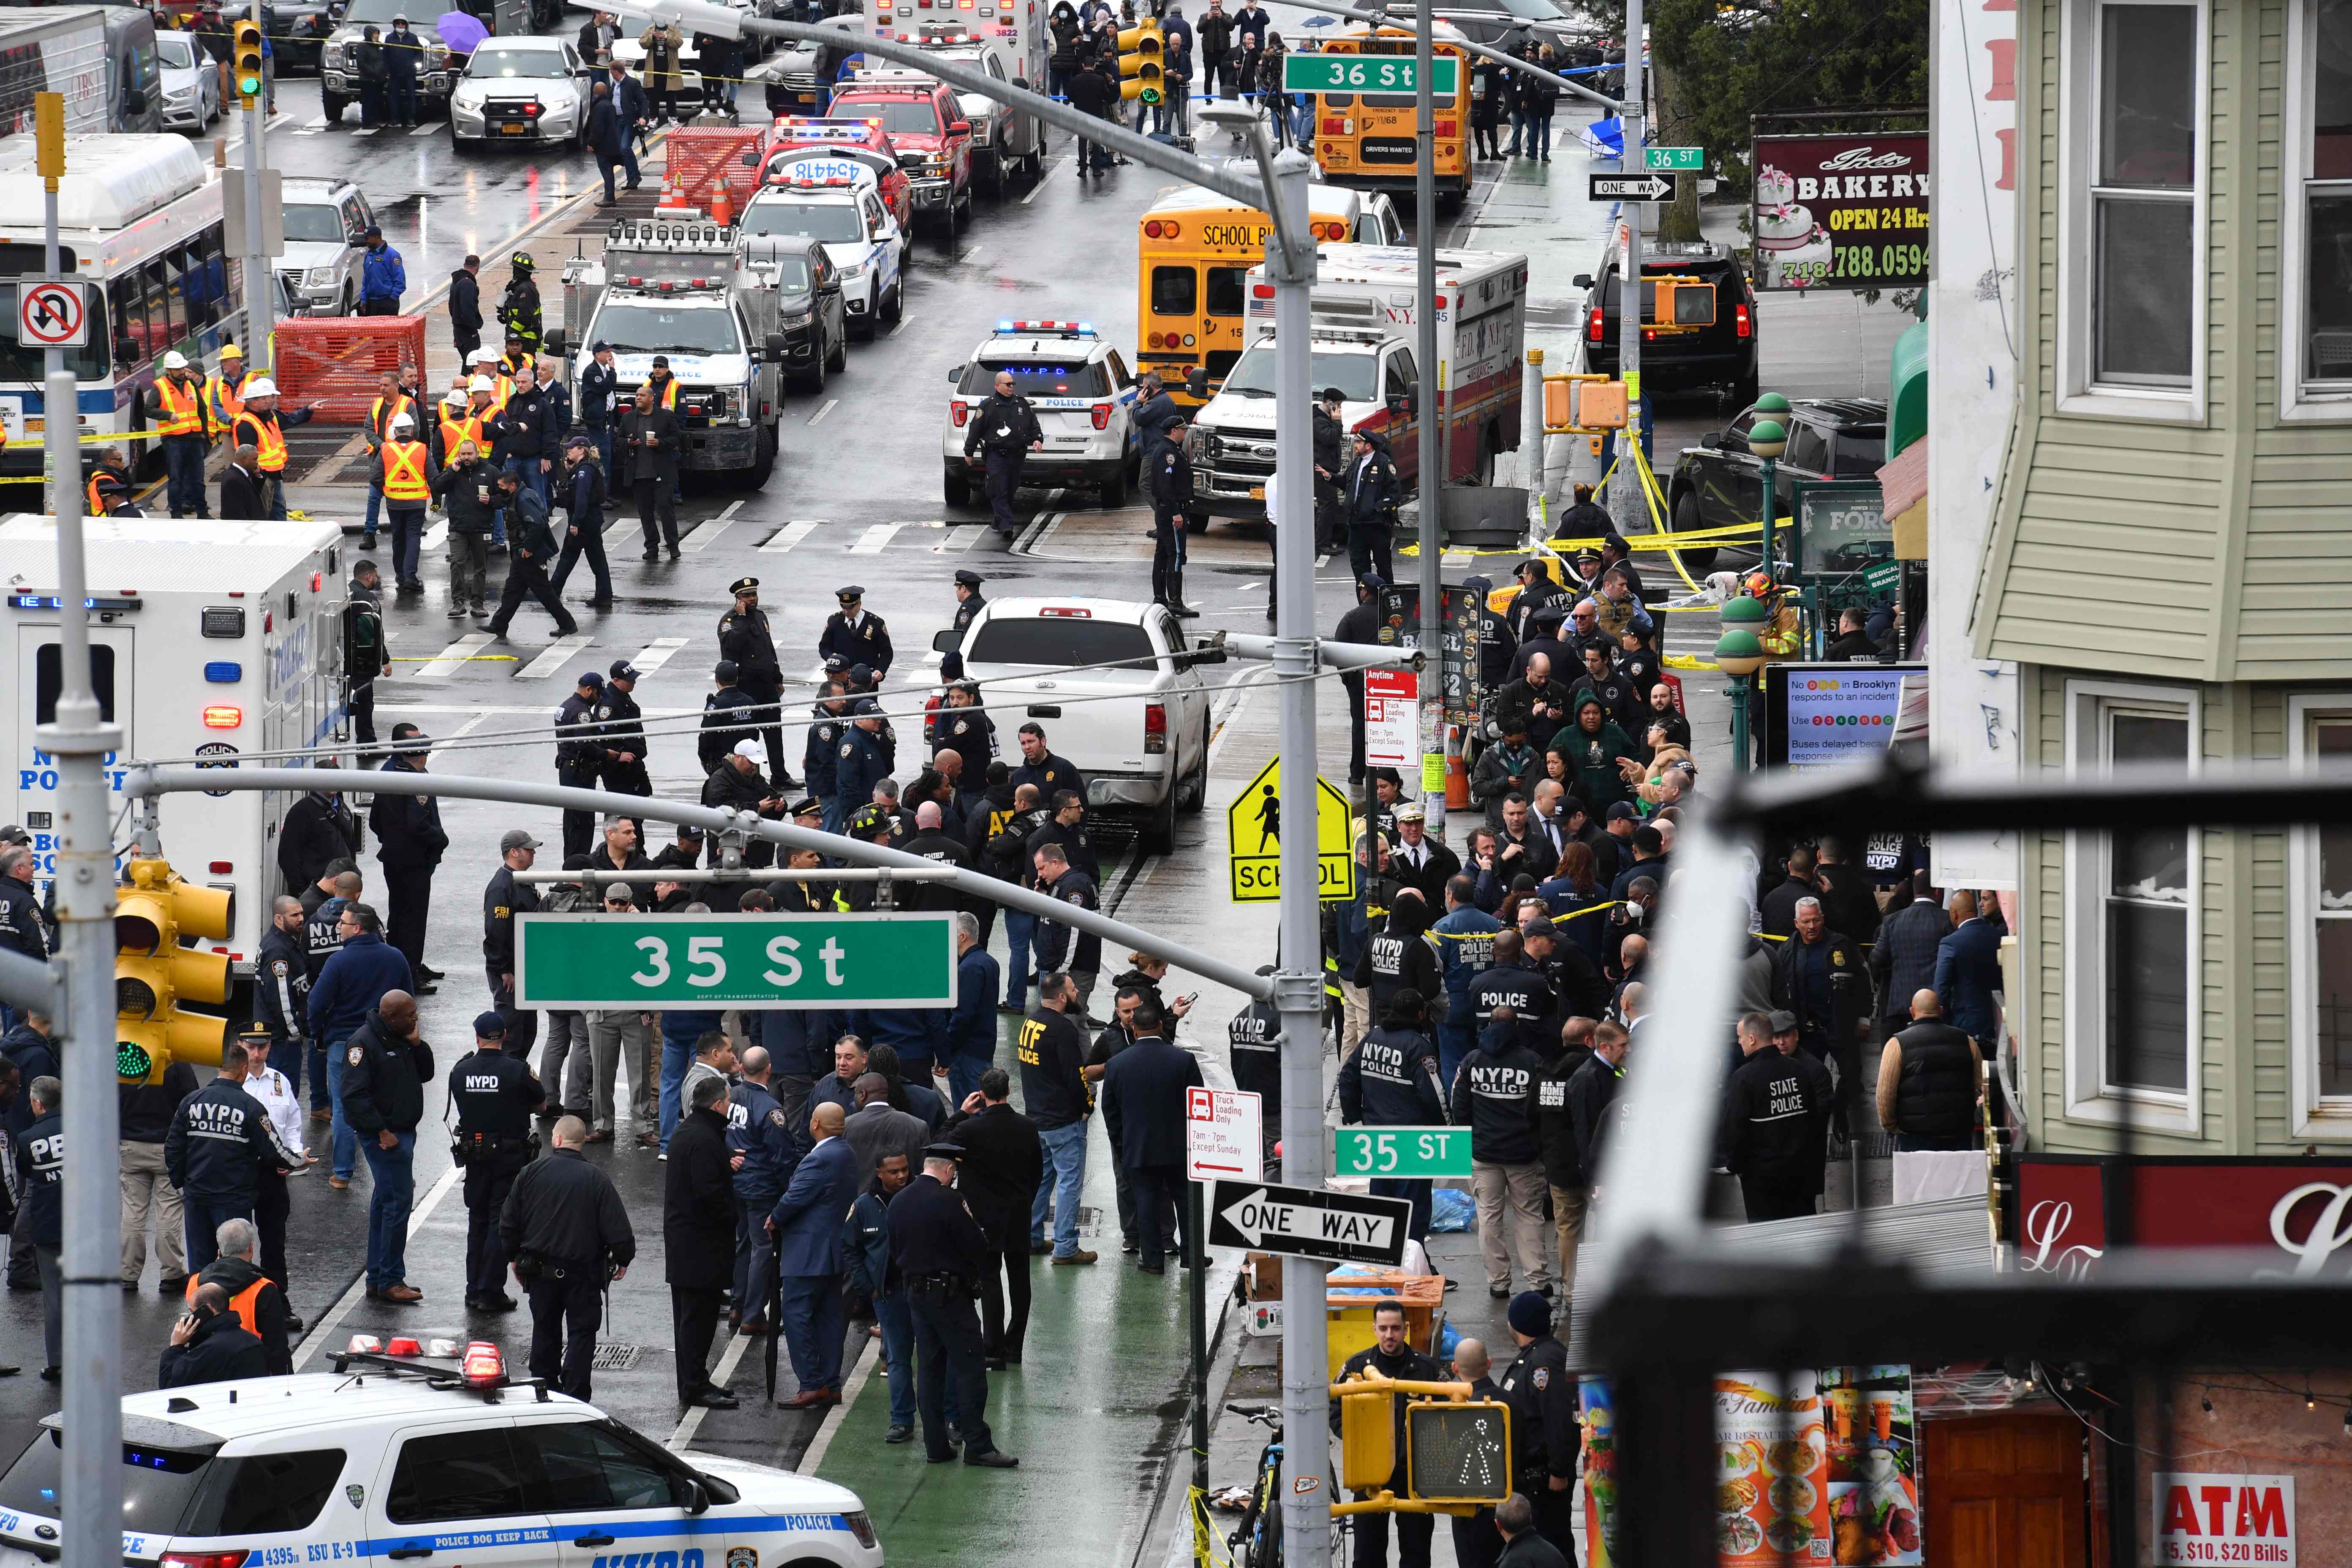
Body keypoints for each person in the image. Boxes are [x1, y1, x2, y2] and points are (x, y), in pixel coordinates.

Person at [886, 1144, 1019, 1466]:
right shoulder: (951, 1201)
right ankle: (977, 1444)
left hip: (916, 1296)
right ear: (948, 1171)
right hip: (950, 1298)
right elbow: (978, 1245)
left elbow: (894, 1249)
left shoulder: (898, 1202)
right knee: (970, 1368)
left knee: (929, 1371)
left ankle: (936, 1446)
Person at [500, 1115, 634, 1399]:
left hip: (539, 1273)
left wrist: (513, 1256)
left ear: (558, 1139)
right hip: (583, 1276)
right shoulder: (597, 1179)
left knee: (545, 1329)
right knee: (582, 1335)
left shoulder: (531, 1173)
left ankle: (543, 1386)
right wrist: (623, 1259)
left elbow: (509, 1222)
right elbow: (618, 1229)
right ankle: (575, 1394)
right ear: (582, 1142)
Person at [165, 1039, 299, 1275]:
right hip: (233, 1199)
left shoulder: (192, 1101)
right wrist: (299, 1161)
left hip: (197, 1196)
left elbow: (174, 1147)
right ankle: (234, 1310)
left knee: (200, 1263)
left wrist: (181, 1183)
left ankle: (200, 1307)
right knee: (235, 1263)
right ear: (244, 1070)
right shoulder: (251, 1106)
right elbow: (274, 1151)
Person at [1329, 1298, 1440, 1568]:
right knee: (1368, 1554)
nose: (1390, 1335)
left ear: (1406, 1329)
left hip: (1415, 1476)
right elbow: (1334, 1410)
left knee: (1416, 1555)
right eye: (1384, 1328)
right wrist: (1361, 1440)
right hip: (1370, 1474)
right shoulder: (1357, 1367)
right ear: (1374, 1329)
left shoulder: (1427, 1369)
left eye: (1395, 1328)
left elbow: (1448, 1414)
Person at [941, 1068, 1039, 1364]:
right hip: (1018, 1214)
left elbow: (940, 1143)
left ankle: (993, 1348)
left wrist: (960, 1114)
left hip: (983, 1218)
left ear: (982, 1094)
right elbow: (1037, 1173)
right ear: (1009, 1090)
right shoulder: (1028, 1126)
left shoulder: (970, 1130)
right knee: (1021, 1280)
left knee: (990, 1279)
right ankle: (1015, 1346)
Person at [342, 988, 433, 1303]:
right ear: (390, 1016)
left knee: (385, 1203)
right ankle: (391, 1280)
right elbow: (354, 1096)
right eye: (410, 1015)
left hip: (404, 1131)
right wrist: (380, 1131)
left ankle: (378, 1277)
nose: (416, 1017)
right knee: (398, 1202)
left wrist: (417, 1044)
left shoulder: (402, 1036)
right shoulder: (363, 1044)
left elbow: (428, 1073)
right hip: (386, 1138)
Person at [1097, 996, 1201, 1274]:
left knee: (1145, 1202)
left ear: (1134, 1030)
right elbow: (1199, 1105)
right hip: (1180, 1149)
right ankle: (1192, 1256)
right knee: (1186, 1201)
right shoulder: (1184, 1061)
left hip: (1138, 1148)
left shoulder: (1118, 1065)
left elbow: (1110, 1111)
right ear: (1159, 1025)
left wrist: (1121, 1145)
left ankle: (1153, 1259)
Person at [449, 1012, 544, 1312]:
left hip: (474, 1155)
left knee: (477, 1221)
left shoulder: (461, 1070)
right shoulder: (517, 1070)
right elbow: (542, 1103)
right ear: (503, 1036)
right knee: (499, 1222)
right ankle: (490, 1291)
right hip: (509, 1156)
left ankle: (473, 1288)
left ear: (477, 1037)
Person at [1453, 1010, 1549, 1299]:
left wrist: (1471, 1137)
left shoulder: (1472, 1061)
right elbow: (1542, 1108)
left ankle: (1498, 1282)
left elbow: (1460, 1104)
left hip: (1484, 1154)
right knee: (1529, 1216)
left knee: (1489, 1218)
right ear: (1516, 1027)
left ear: (1488, 1026)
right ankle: (1539, 1281)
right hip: (1524, 1154)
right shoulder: (1532, 1062)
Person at [769, 1099, 859, 1406]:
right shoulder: (847, 1154)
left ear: (816, 1125)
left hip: (808, 1255)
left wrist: (775, 1218)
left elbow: (795, 1198)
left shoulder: (818, 1159)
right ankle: (831, 1384)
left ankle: (811, 1383)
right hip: (834, 1253)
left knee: (796, 1314)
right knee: (829, 1318)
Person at [1337, 988, 1446, 1241]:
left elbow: (1347, 1077)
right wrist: (1447, 1128)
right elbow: (1435, 1097)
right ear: (1421, 1015)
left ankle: (1384, 1266)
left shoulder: (1372, 1039)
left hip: (1377, 1140)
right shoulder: (1420, 1048)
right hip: (1412, 1144)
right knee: (1413, 1209)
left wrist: (1355, 1120)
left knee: (1382, 1209)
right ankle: (1415, 1271)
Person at [662, 1074, 739, 1408]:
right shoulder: (705, 1140)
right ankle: (694, 1385)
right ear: (720, 1104)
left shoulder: (691, 1131)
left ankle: (694, 1380)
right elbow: (711, 1194)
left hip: (687, 1247)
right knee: (697, 1321)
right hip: (700, 1249)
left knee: (691, 1320)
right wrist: (734, 1215)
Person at [1020, 972, 1097, 1263]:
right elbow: (1075, 1076)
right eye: (1074, 989)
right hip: (1063, 1120)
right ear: (1063, 997)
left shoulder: (1031, 1022)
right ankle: (1066, 1246)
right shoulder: (1063, 1030)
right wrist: (1086, 1105)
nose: (1077, 993)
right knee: (1070, 1182)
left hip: (1037, 1116)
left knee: (1042, 1180)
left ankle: (1032, 1236)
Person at [1496, 1290, 1579, 1553]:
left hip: (1544, 1480)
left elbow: (1561, 1419)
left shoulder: (1544, 1363)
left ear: (1516, 1324)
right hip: (1531, 1478)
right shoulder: (1534, 1356)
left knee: (1552, 1546)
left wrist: (1558, 1471)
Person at [1720, 1012, 1823, 1221]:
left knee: (1767, 1244)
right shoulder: (1800, 1071)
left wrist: (1737, 1167)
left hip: (1762, 1183)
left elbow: (1734, 1130)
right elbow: (1814, 1124)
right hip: (1801, 1176)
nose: (1739, 1042)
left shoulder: (1743, 1078)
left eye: (1740, 1036)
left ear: (1752, 1039)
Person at [725, 1045, 795, 1334]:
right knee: (763, 1249)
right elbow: (781, 1157)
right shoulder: (771, 1109)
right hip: (761, 1188)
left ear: (742, 1068)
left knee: (743, 1245)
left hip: (736, 1183)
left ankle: (738, 1306)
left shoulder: (730, 1099)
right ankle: (753, 1314)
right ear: (769, 1069)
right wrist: (789, 1193)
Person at [370, 725, 446, 985]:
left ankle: (408, 964)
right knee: (411, 918)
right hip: (412, 860)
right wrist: (441, 839)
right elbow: (418, 824)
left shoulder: (391, 772)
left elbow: (375, 822)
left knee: (402, 915)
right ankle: (409, 971)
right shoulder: (410, 777)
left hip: (397, 857)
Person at [120, 1053, 199, 1294]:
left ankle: (128, 1273)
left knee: (133, 1210)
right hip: (168, 1146)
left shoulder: (124, 1056)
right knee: (169, 1210)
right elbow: (191, 1101)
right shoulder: (175, 1060)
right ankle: (171, 1273)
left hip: (130, 1144)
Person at [184, 1217, 295, 1374]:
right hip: (251, 1375)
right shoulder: (264, 1289)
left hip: (207, 1373)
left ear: (220, 1251)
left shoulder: (195, 1283)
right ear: (251, 1248)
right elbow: (277, 1348)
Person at [1876, 990, 1983, 1152]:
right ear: (1941, 1011)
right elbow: (1981, 1087)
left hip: (1915, 1136)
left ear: (1912, 1012)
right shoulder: (1966, 1041)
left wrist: (1892, 1126)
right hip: (1958, 1133)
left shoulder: (1897, 1044)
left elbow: (1885, 1095)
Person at [484, 468, 579, 639]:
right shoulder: (518, 495)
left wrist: (528, 548)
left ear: (512, 486)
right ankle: (499, 624)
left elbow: (537, 525)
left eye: (501, 486)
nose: (499, 489)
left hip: (529, 554)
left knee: (544, 592)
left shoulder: (524, 499)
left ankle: (567, 624)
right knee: (513, 591)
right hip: (522, 553)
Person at [963, 368, 1044, 536]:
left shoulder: (1021, 404)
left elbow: (1033, 424)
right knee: (998, 489)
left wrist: (1037, 439)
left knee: (1010, 490)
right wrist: (969, 452)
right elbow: (975, 430)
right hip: (996, 455)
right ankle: (1007, 525)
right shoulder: (987, 406)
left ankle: (998, 520)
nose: (1011, 387)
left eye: (1013, 384)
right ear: (997, 386)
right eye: (1008, 384)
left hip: (1017, 455)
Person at [16, 1076, 58, 1379]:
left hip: (49, 1226)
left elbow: (25, 1177)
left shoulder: (28, 1138)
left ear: (38, 1103)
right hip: (86, 1225)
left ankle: (58, 1362)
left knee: (54, 1296)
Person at [231, 377, 318, 520]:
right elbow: (246, 456)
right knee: (264, 514)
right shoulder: (246, 424)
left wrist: (308, 410)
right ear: (258, 401)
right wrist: (256, 475)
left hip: (274, 474)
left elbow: (290, 419)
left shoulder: (270, 415)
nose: (274, 400)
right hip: (261, 478)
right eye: (272, 397)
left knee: (278, 512)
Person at [1033, 844, 1102, 1020]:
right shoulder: (1062, 884)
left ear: (1055, 863)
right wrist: (1042, 894)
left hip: (1073, 970)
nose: (1040, 874)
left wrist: (1063, 970)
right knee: (1078, 1025)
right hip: (1063, 967)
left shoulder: (1074, 885)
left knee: (1067, 1023)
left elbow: (1074, 931)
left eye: (1042, 868)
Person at [158, 1280, 269, 1388]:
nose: (190, 1317)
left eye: (192, 1312)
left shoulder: (208, 1351)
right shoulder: (254, 1342)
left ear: (208, 1309)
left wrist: (176, 1346)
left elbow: (169, 1384)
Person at [1935, 890, 2004, 1051]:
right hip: (1999, 1023)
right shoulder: (1999, 937)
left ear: (1954, 913)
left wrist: (1944, 1023)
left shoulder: (1950, 943)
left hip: (1965, 1026)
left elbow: (1941, 989)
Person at [147, 350, 213, 518]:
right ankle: (176, 513)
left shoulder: (191, 384)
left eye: (183, 368)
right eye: (178, 369)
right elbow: (148, 409)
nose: (182, 372)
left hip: (195, 439)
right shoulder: (160, 386)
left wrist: (205, 435)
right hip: (174, 440)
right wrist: (168, 416)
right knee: (176, 478)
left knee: (198, 479)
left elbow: (202, 410)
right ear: (169, 370)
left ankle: (202, 512)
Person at [620, 384, 682, 558]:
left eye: (642, 395)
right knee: (645, 513)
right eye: (637, 395)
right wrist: (628, 443)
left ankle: (673, 545)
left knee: (665, 509)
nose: (638, 398)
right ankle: (651, 547)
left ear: (652, 398)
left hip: (661, 473)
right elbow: (618, 440)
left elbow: (677, 438)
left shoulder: (666, 416)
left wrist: (660, 444)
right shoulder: (628, 418)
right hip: (638, 474)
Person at [1146, 417, 1200, 615]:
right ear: (1174, 430)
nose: (1185, 433)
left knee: (1163, 553)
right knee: (1175, 555)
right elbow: (1164, 486)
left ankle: (1160, 598)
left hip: (1168, 510)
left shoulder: (1169, 450)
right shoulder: (1168, 453)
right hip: (1172, 511)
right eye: (1183, 430)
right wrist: (1176, 511)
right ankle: (1175, 601)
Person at [1342, 428, 1400, 585]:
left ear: (1368, 446)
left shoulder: (1384, 463)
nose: (1356, 446)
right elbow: (1346, 482)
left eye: (1359, 443)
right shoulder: (1357, 463)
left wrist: (1377, 509)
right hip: (1357, 524)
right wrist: (1329, 477)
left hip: (1377, 525)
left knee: (1383, 567)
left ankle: (1386, 604)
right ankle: (1364, 605)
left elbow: (1394, 494)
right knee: (1360, 569)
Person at [498, 252, 544, 359]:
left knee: (525, 370)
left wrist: (513, 333)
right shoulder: (518, 287)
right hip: (520, 339)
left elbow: (525, 315)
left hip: (525, 340)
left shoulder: (526, 289)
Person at [384, 13, 423, 126]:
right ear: (395, 25)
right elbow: (385, 55)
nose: (400, 26)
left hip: (409, 74)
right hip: (394, 74)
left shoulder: (413, 38)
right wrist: (387, 70)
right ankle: (395, 120)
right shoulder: (389, 38)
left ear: (406, 25)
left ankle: (411, 120)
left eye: (402, 23)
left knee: (411, 97)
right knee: (394, 98)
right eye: (398, 23)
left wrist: (415, 64)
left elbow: (420, 52)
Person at [358, 225, 406, 315]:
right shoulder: (369, 255)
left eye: (367, 239)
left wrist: (392, 299)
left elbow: (400, 280)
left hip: (387, 303)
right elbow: (366, 279)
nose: (366, 242)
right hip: (371, 303)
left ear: (376, 238)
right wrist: (364, 299)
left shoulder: (392, 255)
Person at [449, 253, 483, 363]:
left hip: (459, 330)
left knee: (467, 362)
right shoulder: (468, 284)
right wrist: (474, 327)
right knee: (472, 363)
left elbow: (451, 306)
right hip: (467, 333)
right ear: (478, 267)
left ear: (465, 265)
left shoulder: (457, 281)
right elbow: (468, 310)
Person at [219, 442, 267, 520]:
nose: (257, 462)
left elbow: (254, 495)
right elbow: (236, 512)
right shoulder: (233, 479)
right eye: (254, 459)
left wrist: (257, 476)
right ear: (244, 460)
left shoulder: (243, 473)